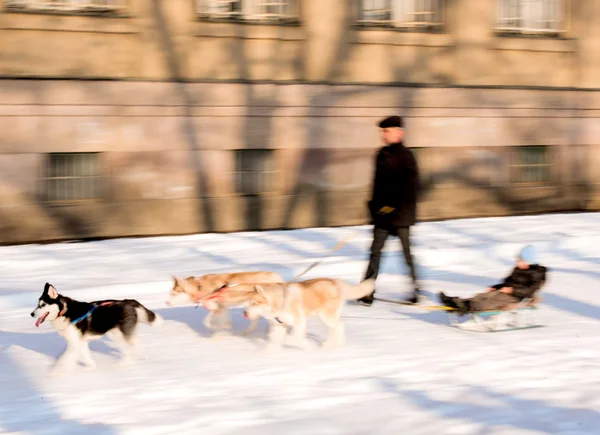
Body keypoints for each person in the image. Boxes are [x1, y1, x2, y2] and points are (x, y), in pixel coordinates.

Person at [357, 115, 421, 306]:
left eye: (387, 131)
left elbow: (411, 187)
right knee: (375, 252)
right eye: (383, 131)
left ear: (399, 133)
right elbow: (377, 186)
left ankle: (415, 290)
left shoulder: (406, 156)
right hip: (382, 216)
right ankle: (367, 292)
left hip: (401, 216)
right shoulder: (381, 154)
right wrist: (374, 207)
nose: (384, 135)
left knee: (406, 255)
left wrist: (394, 206)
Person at [439, 245, 548, 315]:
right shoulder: (517, 270)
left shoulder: (537, 274)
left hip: (518, 298)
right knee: (481, 296)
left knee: (486, 303)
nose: (517, 262)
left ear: (528, 261)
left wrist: (512, 291)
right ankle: (454, 302)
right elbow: (507, 282)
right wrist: (497, 287)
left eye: (520, 260)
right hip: (507, 292)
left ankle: (462, 306)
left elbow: (530, 291)